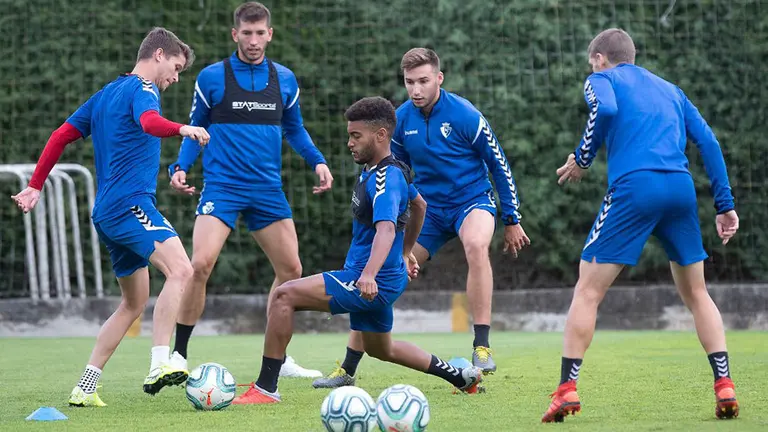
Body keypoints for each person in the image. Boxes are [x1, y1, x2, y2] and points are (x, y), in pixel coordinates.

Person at [541, 28, 740, 423]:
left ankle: (566, 390)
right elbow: (710, 142)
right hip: (680, 189)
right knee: (697, 292)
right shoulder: (671, 90)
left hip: (635, 188)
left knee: (587, 290)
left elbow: (607, 110)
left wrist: (583, 159)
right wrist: (725, 204)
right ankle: (725, 385)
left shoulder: (600, 79)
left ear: (599, 58)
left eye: (591, 63)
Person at [230, 96, 484, 404]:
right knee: (382, 349)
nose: (350, 143)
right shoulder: (386, 169)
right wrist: (406, 254)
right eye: (349, 135)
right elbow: (420, 204)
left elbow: (387, 227)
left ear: (380, 135)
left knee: (284, 295)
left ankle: (266, 388)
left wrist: (368, 274)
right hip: (384, 278)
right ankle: (461, 377)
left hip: (369, 279)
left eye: (355, 136)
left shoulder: (385, 178)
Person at [11, 28, 211, 406]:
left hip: (106, 213)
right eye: (176, 67)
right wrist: (183, 128)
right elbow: (150, 122)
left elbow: (59, 135)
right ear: (158, 55)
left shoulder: (105, 94)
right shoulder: (143, 90)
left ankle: (85, 387)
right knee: (182, 270)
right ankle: (159, 362)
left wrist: (37, 184)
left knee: (133, 303)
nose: (176, 77)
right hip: (130, 205)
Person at [312, 47, 529, 389]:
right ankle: (348, 369)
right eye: (410, 82)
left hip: (472, 200)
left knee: (475, 244)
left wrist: (512, 218)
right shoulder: (400, 121)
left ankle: (482, 347)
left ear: (439, 79)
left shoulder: (466, 115)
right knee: (381, 269)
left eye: (424, 81)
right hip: (428, 209)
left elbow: (498, 163)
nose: (416, 89)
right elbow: (392, 172)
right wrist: (398, 239)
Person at [167, 1, 332, 378]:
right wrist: (180, 167)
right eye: (247, 33)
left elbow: (295, 129)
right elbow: (196, 127)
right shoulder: (211, 77)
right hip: (222, 186)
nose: (254, 40)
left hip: (266, 189)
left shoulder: (285, 79)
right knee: (200, 264)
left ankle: (280, 357)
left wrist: (318, 161)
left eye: (260, 33)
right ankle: (178, 354)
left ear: (270, 34)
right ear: (235, 34)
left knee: (291, 269)